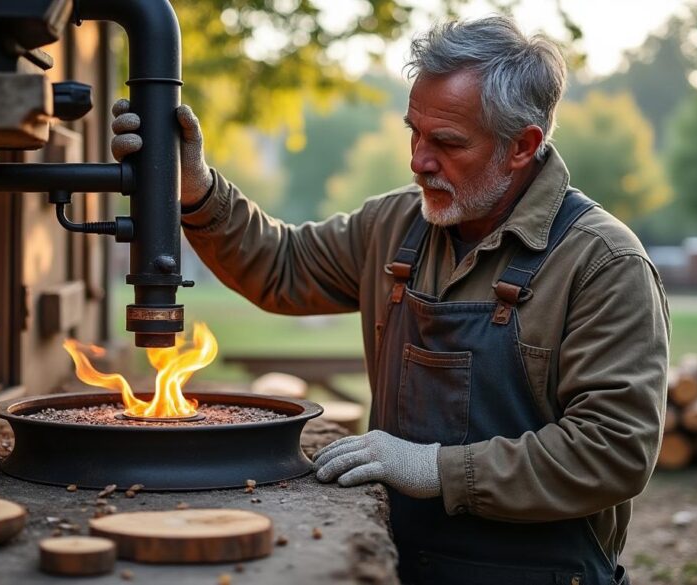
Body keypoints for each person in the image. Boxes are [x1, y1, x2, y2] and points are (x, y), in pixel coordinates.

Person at [111, 16, 668, 585]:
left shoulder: (603, 263)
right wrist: (196, 187)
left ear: (521, 146)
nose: (418, 160)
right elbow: (281, 267)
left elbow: (613, 451)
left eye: (447, 143)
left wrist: (436, 468)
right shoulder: (396, 222)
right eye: (414, 132)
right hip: (399, 562)